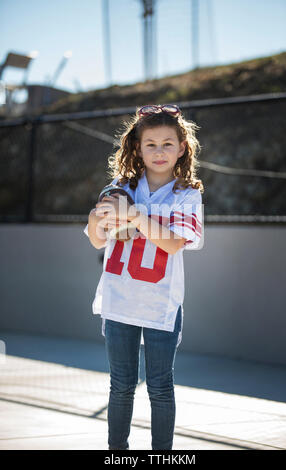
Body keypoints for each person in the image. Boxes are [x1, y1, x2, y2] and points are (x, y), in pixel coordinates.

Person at [83, 104, 204, 450]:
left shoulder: (187, 195)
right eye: (150, 143)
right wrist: (96, 219)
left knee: (160, 386)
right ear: (137, 147)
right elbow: (97, 239)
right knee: (120, 384)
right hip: (119, 300)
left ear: (182, 147)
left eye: (168, 143)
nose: (160, 151)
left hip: (160, 304)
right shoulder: (119, 187)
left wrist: (135, 215)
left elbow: (173, 243)